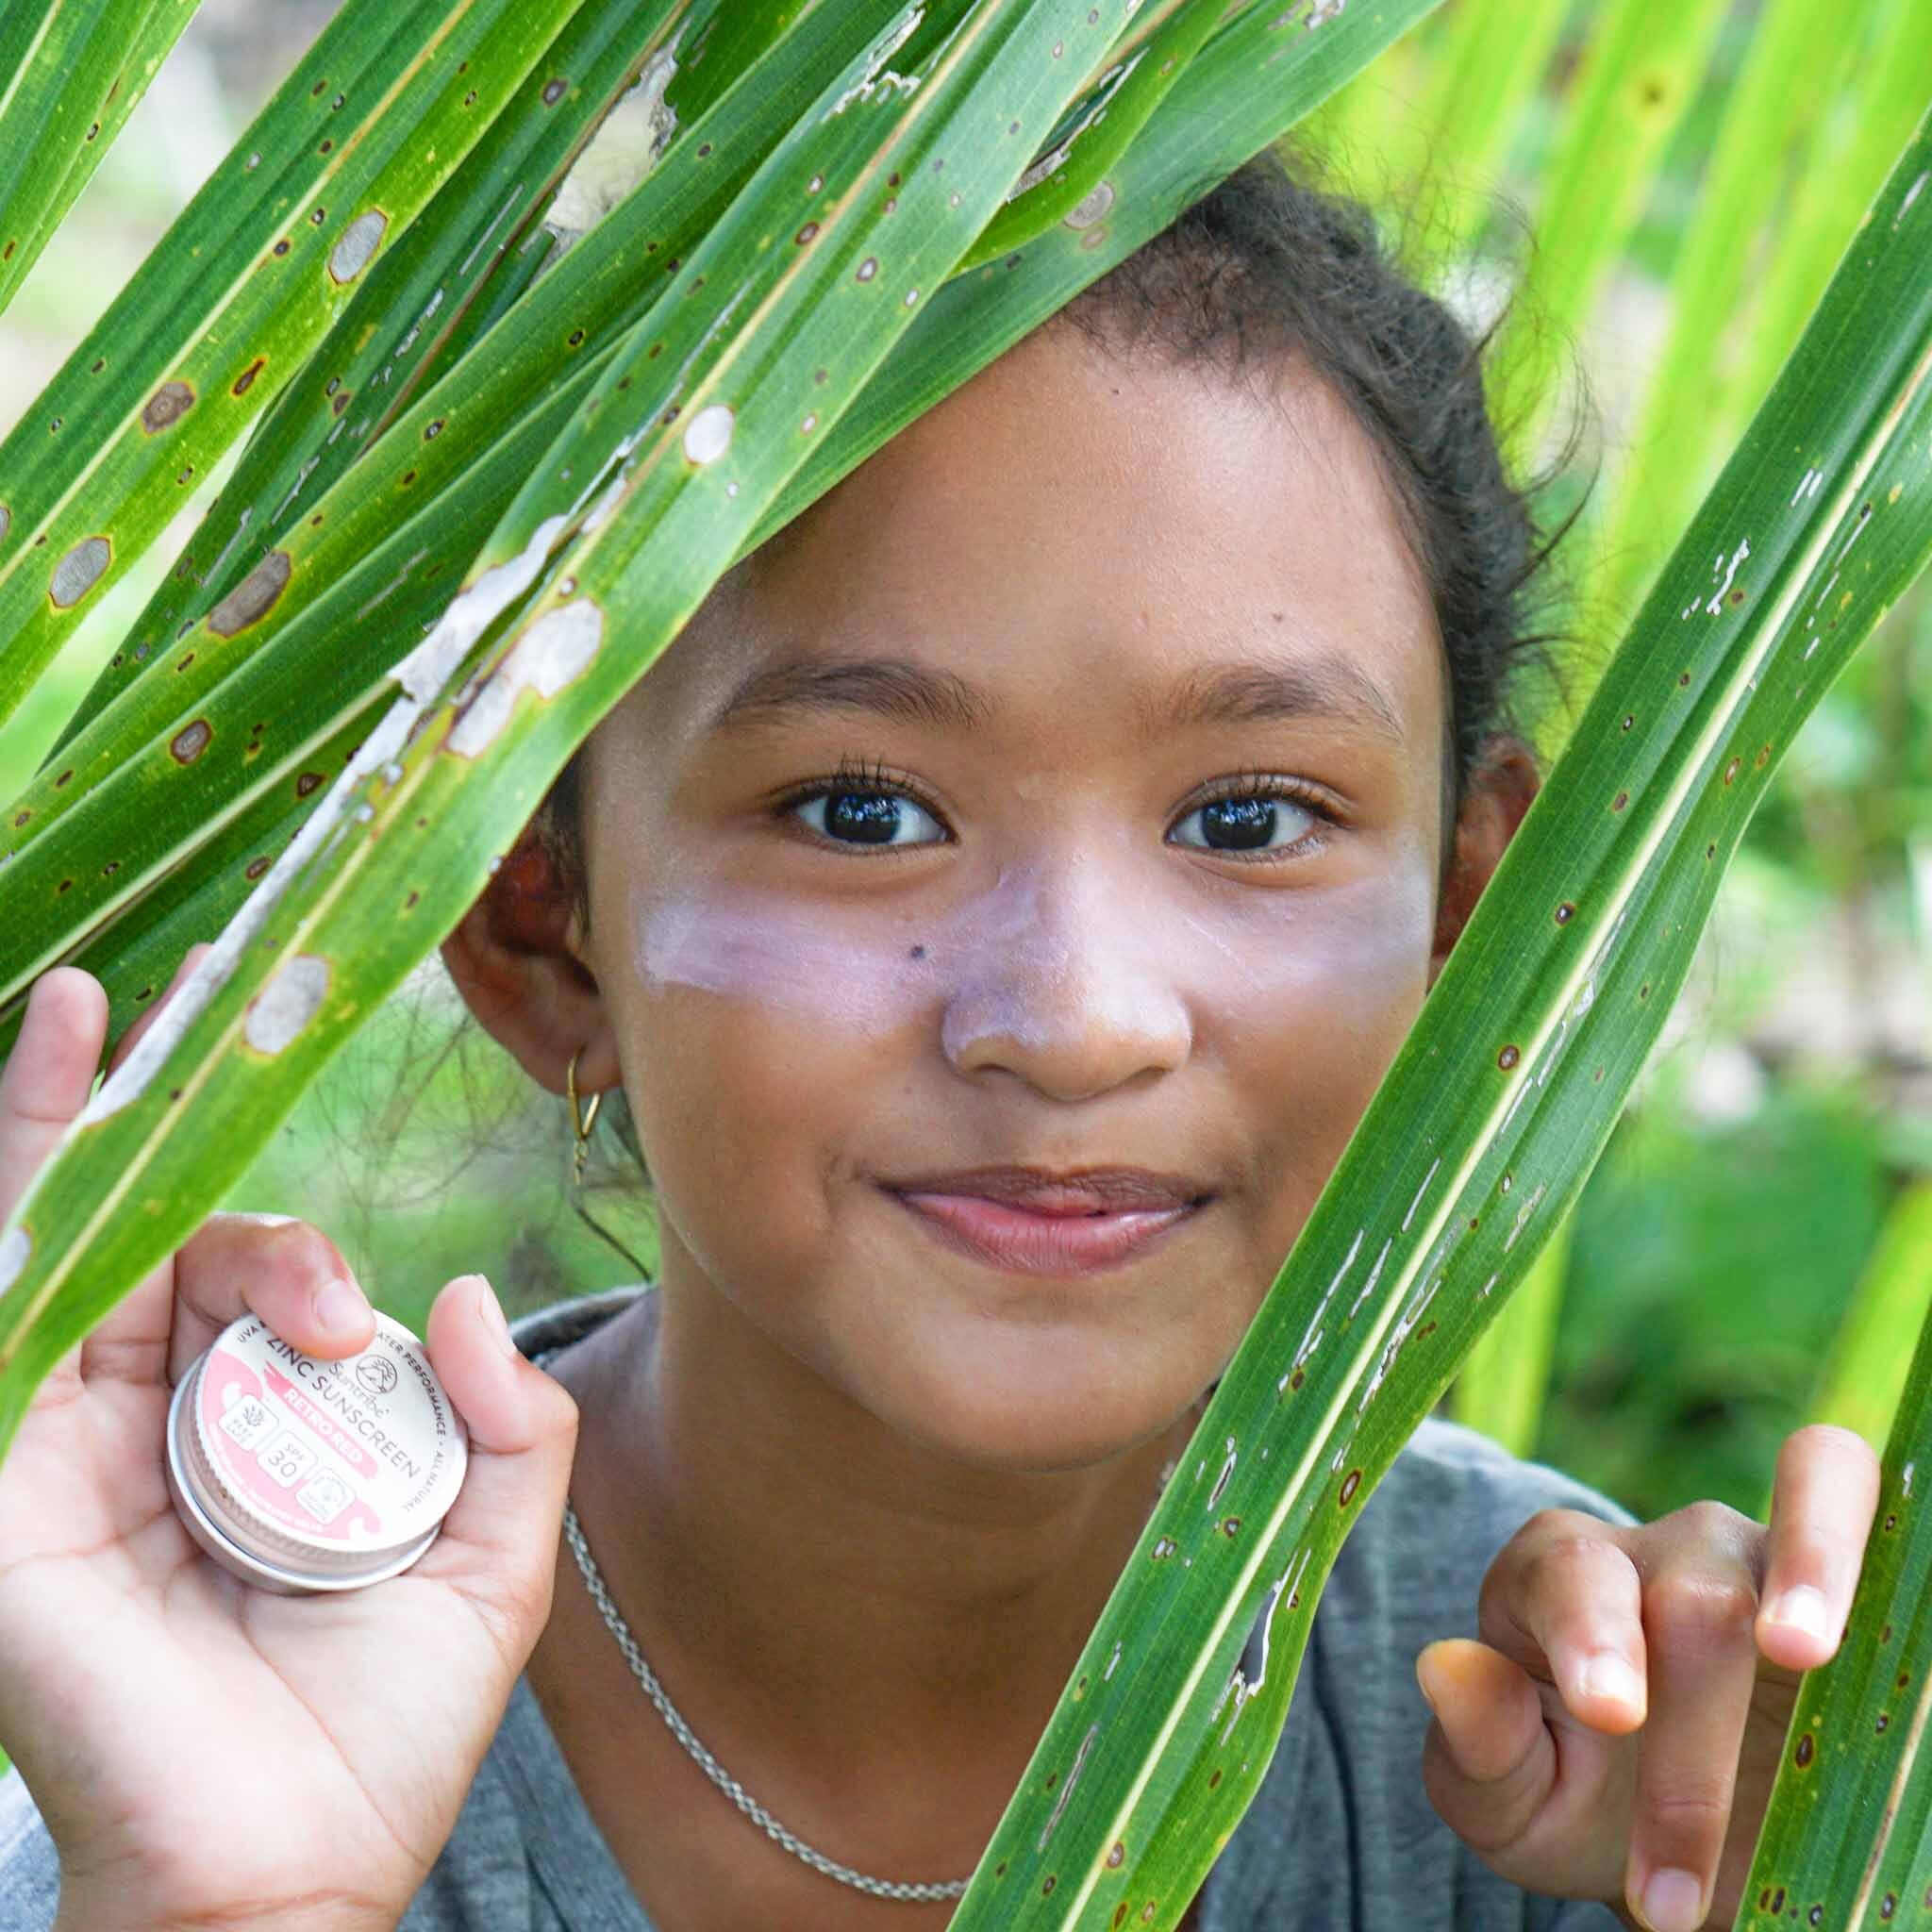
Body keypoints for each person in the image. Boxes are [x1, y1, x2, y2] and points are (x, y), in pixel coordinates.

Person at [0, 149, 1881, 1932]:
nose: (1070, 1021)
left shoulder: (1604, 1763)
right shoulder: (206, 1747)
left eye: (1246, 818)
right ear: (534, 921)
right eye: (860, 812)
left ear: (1465, 924)